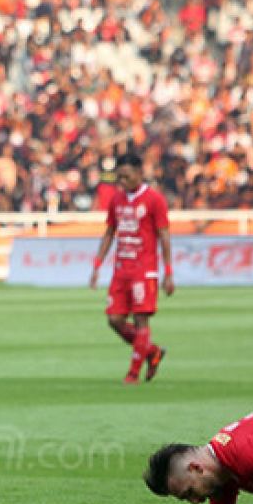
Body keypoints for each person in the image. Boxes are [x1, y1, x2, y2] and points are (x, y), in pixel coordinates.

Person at [89, 153, 174, 384]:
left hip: (144, 270)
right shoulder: (117, 200)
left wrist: (168, 271)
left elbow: (164, 235)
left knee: (141, 320)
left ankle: (133, 373)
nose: (122, 182)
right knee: (114, 320)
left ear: (139, 173)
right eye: (120, 177)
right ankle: (152, 351)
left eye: (126, 176)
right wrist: (97, 264)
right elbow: (110, 232)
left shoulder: (154, 200)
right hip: (121, 270)